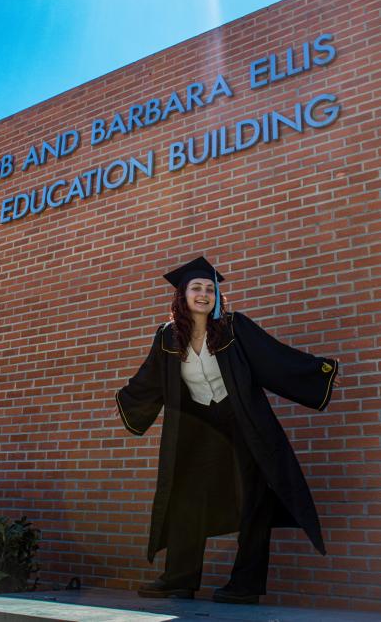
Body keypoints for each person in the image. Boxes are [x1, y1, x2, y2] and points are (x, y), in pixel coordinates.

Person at [115, 256, 340, 605]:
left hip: (242, 423)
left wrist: (317, 370)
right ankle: (179, 578)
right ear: (182, 295)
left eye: (209, 288)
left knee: (253, 499)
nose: (203, 294)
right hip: (197, 427)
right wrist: (125, 399)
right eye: (196, 288)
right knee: (186, 498)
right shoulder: (166, 337)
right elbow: (149, 380)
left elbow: (274, 358)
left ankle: (245, 585)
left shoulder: (235, 328)